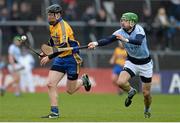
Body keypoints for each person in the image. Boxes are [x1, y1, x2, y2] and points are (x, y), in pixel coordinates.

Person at [88, 12, 153, 118]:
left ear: (132, 23)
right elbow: (108, 39)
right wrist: (96, 43)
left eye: (125, 20)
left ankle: (147, 109)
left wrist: (124, 39)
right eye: (122, 20)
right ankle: (131, 90)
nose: (122, 22)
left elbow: (138, 41)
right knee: (120, 82)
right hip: (131, 62)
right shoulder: (120, 32)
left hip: (145, 64)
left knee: (146, 94)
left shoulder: (139, 30)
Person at [40, 4, 91, 118]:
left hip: (71, 58)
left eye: (50, 15)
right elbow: (53, 41)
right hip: (60, 58)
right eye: (48, 14)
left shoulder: (63, 27)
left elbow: (62, 46)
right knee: (50, 84)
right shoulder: (52, 26)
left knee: (70, 90)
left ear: (57, 15)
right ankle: (54, 112)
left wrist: (49, 57)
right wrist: (45, 52)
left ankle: (83, 81)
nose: (48, 17)